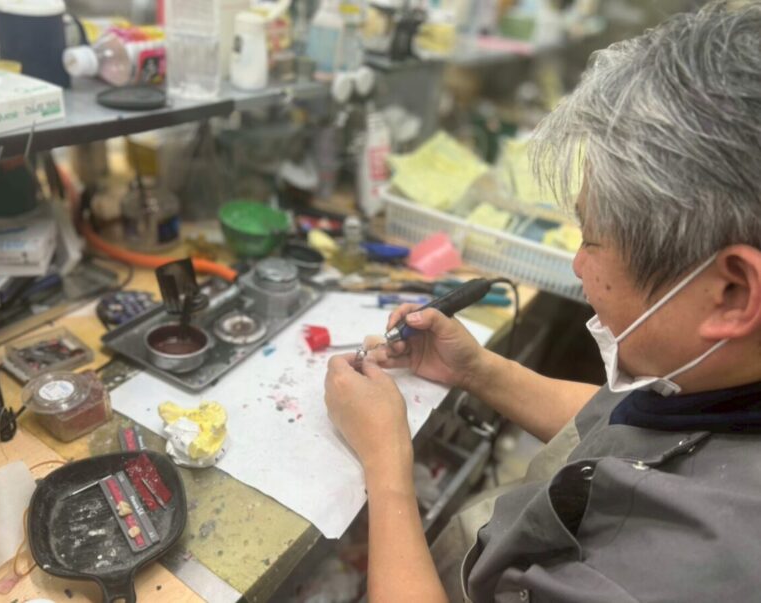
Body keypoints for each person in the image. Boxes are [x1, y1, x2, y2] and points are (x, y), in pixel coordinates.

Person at [324, 1, 761, 601]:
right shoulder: (725, 387)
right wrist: (477, 369)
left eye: (593, 239)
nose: (578, 264)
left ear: (732, 293)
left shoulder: (672, 576)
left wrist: (386, 463)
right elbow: (628, 430)